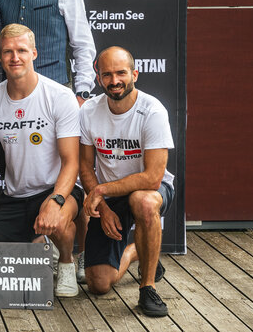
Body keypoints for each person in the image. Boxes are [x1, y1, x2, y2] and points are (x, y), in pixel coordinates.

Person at [0, 23, 82, 297]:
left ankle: (67, 262)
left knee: (57, 221)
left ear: (34, 53)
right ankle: (41, 242)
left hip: (53, 189)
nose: (15, 58)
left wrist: (56, 201)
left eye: (22, 50)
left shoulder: (60, 96)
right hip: (12, 196)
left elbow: (71, 161)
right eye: (8, 52)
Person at [79, 46, 175, 317]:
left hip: (151, 191)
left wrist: (100, 190)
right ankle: (136, 252)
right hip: (110, 197)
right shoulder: (88, 111)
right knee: (98, 284)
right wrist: (104, 206)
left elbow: (153, 177)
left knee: (142, 200)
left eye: (121, 73)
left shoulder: (153, 110)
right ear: (98, 78)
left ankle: (148, 287)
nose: (114, 80)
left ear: (134, 73)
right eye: (106, 74)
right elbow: (85, 166)